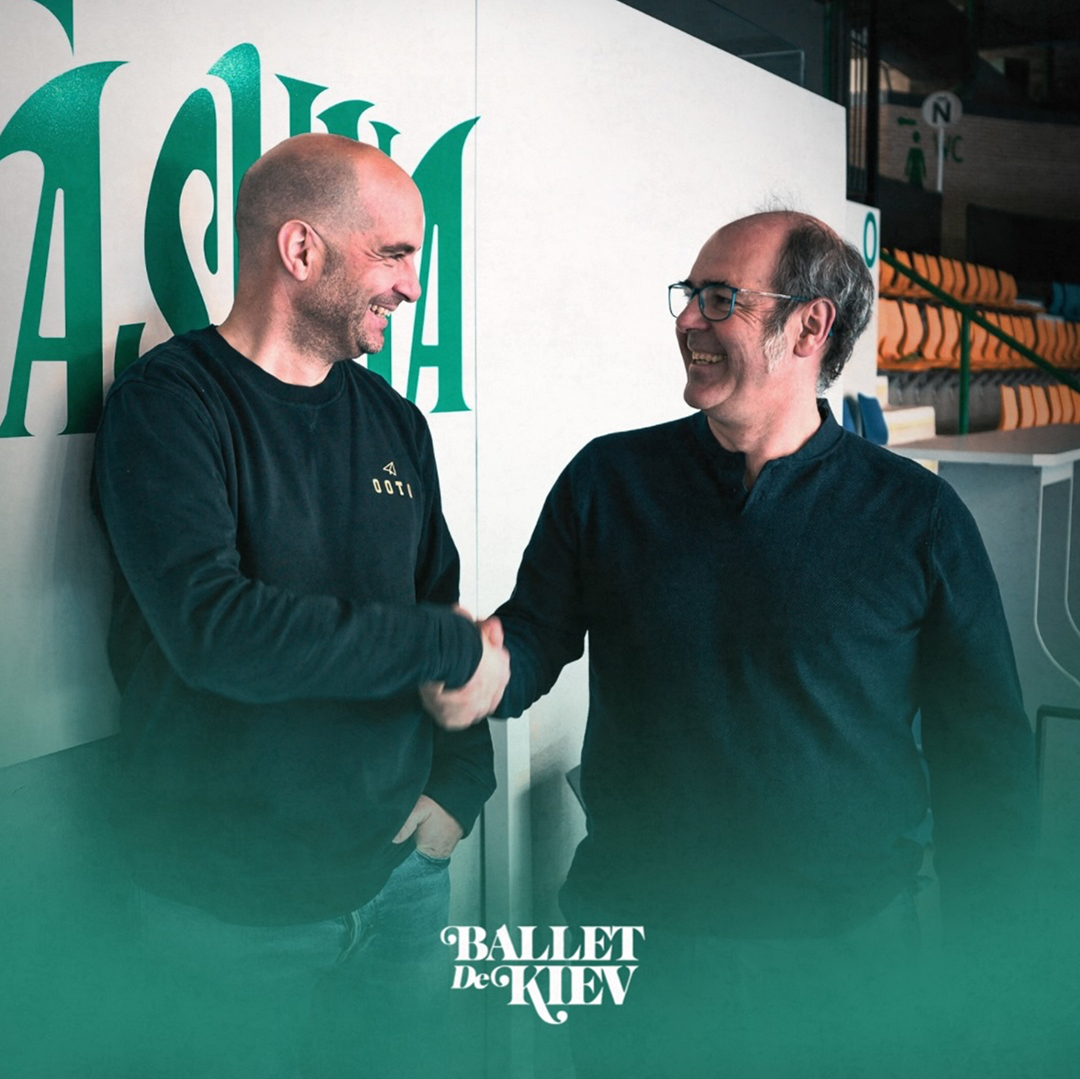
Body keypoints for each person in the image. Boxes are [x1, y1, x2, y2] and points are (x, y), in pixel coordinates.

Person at [423, 211, 1037, 1076]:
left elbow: (987, 766)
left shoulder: (918, 517)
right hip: (639, 946)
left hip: (844, 963)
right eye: (689, 295)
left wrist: (994, 976)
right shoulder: (609, 479)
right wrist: (480, 672)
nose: (687, 319)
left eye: (720, 299)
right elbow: (531, 639)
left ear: (810, 327)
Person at [91, 133, 508, 1078]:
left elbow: (434, 602)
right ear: (301, 249)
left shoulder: (393, 421)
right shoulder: (170, 406)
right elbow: (216, 633)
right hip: (228, 916)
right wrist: (441, 645)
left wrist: (460, 782)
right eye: (393, 254)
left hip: (401, 878)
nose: (411, 286)